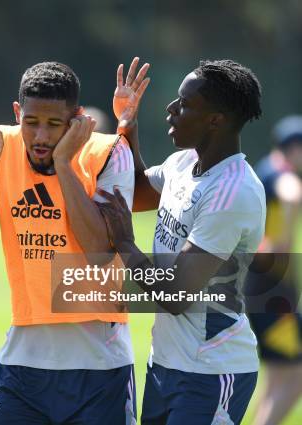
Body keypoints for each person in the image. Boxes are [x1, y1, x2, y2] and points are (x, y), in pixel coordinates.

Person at [0, 59, 149, 425]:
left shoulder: (108, 153)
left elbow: (100, 254)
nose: (41, 137)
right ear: (16, 112)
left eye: (55, 125)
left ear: (77, 119)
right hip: (22, 365)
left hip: (99, 368)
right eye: (31, 122)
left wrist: (64, 164)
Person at [98, 59, 265, 424]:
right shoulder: (183, 163)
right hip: (166, 364)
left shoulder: (233, 192)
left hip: (210, 370)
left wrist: (125, 243)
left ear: (215, 120)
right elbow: (136, 190)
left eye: (185, 104)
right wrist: (128, 123)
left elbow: (175, 296)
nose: (171, 109)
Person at [245, 115, 302, 425]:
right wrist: (281, 241)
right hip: (274, 294)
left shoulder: (264, 168)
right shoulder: (281, 173)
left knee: (279, 376)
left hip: (265, 290)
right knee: (296, 375)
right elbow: (292, 192)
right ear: (294, 149)